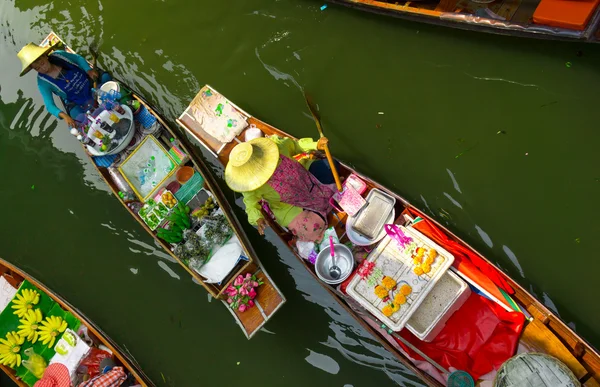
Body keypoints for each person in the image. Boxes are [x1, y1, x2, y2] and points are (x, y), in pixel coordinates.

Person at [225, 134, 336, 243]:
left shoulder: (276, 147)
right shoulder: (249, 184)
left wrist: (315, 144)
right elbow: (250, 205)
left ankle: (322, 207)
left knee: (332, 166)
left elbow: (295, 145)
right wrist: (258, 219)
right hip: (289, 207)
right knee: (310, 228)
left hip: (306, 177)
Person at [17, 42, 111, 128]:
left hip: (90, 83)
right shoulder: (42, 82)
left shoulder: (59, 55)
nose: (43, 68)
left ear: (45, 56)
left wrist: (88, 70)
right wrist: (64, 116)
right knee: (77, 121)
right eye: (38, 68)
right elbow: (49, 105)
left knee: (106, 78)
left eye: (42, 63)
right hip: (77, 101)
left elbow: (78, 59)